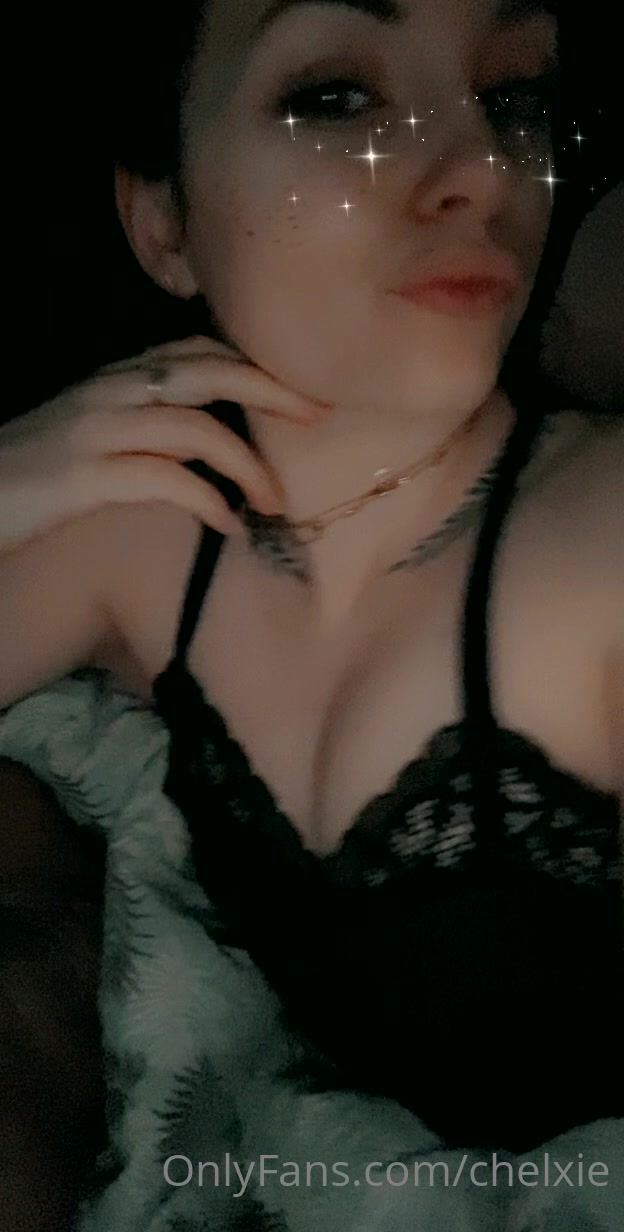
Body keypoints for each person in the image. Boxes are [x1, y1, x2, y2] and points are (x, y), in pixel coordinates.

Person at [0, 0, 622, 1228]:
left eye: (515, 100)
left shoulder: (599, 531)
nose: (483, 170)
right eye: (336, 96)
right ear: (163, 222)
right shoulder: (149, 531)